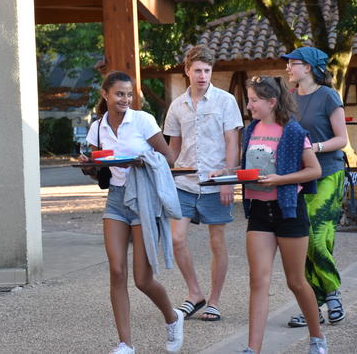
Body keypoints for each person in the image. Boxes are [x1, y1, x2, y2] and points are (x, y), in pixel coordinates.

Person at [79, 71, 184, 354]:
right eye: (119, 94)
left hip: (144, 198)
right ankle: (125, 343)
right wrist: (88, 164)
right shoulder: (98, 127)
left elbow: (167, 159)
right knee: (116, 270)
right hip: (116, 199)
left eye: (128, 94)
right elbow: (97, 168)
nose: (125, 99)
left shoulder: (142, 120)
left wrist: (141, 160)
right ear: (105, 94)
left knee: (142, 279)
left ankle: (173, 317)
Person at [231, 76, 326, 354]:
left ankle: (317, 338)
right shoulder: (250, 131)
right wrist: (223, 175)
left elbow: (314, 171)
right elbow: (247, 168)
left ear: (272, 102)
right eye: (249, 100)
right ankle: (253, 349)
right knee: (258, 280)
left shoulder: (294, 132)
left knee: (296, 281)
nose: (249, 106)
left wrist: (280, 180)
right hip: (259, 212)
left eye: (254, 101)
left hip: (289, 210)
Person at [162, 45, 243, 322]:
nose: (202, 76)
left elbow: (233, 142)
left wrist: (227, 180)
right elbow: (174, 147)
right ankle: (195, 293)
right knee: (176, 239)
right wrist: (160, 171)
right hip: (183, 182)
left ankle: (215, 301)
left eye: (207, 71)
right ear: (187, 71)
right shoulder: (177, 105)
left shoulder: (226, 101)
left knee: (217, 242)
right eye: (197, 70)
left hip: (215, 182)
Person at [283, 46, 348, 327]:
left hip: (329, 173)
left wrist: (313, 147)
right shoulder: (290, 98)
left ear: (307, 67)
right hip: (301, 176)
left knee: (318, 237)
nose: (287, 68)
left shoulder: (328, 96)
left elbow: (342, 139)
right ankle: (314, 307)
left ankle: (332, 293)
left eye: (292, 63)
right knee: (303, 240)